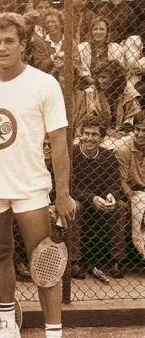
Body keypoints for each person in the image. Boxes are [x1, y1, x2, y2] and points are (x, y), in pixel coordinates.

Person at [0, 12, 76, 338]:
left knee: (43, 260)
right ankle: (7, 326)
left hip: (30, 187)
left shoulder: (44, 84)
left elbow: (59, 142)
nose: (2, 48)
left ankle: (53, 331)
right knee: (0, 254)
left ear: (23, 44)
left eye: (9, 41)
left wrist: (62, 193)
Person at [70, 117, 126, 281]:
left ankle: (117, 260)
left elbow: (114, 183)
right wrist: (91, 198)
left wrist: (110, 195)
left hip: (100, 200)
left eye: (94, 134)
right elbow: (68, 186)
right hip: (78, 198)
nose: (89, 138)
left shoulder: (108, 156)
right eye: (86, 133)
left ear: (101, 138)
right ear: (80, 134)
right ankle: (75, 261)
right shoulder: (72, 153)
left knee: (121, 207)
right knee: (76, 206)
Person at [116, 115, 145, 259]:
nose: (140, 134)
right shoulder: (124, 148)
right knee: (138, 233)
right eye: (138, 130)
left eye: (144, 131)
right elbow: (122, 182)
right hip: (134, 193)